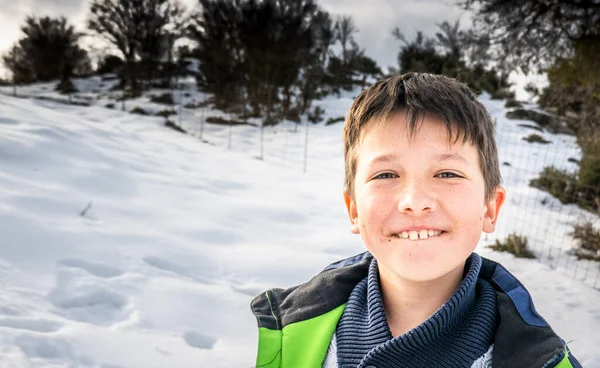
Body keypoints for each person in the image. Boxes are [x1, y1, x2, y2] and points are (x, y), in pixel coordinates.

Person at [250, 73, 581, 368]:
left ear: (490, 208)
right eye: (386, 174)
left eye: (447, 173)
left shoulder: (541, 360)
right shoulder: (291, 333)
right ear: (353, 208)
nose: (415, 202)